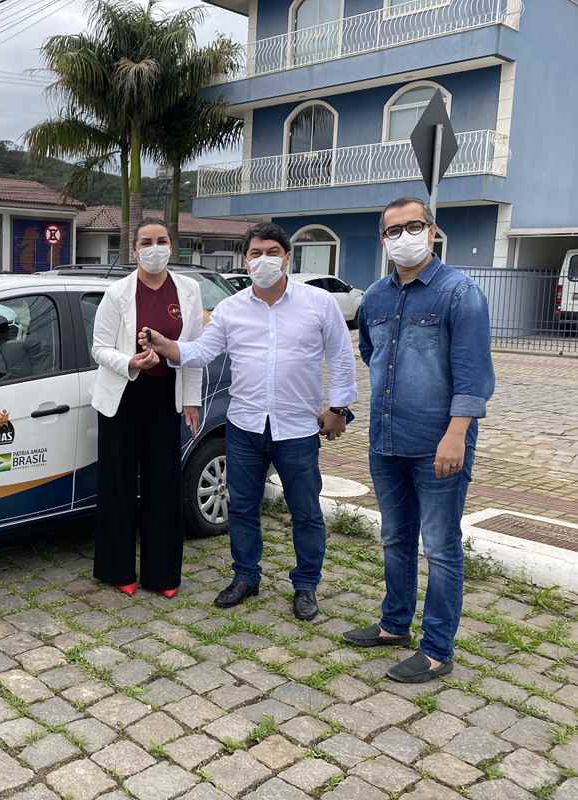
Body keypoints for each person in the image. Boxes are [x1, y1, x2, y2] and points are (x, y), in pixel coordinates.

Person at [142, 222, 356, 621]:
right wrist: (166, 346)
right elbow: (202, 352)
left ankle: (306, 585)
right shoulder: (230, 309)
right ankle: (246, 576)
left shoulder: (318, 303)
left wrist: (339, 409)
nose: (263, 260)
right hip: (245, 427)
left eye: (272, 252)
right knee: (241, 507)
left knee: (306, 511)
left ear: (287, 257)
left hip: (297, 429)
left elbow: (341, 358)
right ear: (245, 260)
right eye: (255, 254)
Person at [343, 198, 494, 683]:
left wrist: (456, 434)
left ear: (431, 232)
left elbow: (473, 374)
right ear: (383, 240)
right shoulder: (376, 298)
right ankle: (394, 624)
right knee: (395, 538)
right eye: (393, 230)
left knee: (441, 546)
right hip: (386, 442)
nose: (403, 236)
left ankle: (436, 649)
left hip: (439, 447)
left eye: (413, 226)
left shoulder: (459, 293)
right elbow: (372, 352)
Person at [90, 219, 204, 597]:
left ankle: (163, 575)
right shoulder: (117, 293)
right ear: (134, 249)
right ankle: (117, 569)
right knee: (118, 484)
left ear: (171, 246)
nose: (155, 248)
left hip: (165, 399)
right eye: (146, 242)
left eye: (161, 241)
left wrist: (192, 400)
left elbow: (194, 352)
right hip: (123, 397)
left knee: (163, 486)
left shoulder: (188, 290)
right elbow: (99, 347)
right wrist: (131, 363)